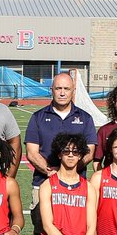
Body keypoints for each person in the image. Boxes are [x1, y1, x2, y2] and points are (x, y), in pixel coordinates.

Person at [25, 72, 98, 222]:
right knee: (41, 231)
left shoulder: (85, 118)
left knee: (76, 229)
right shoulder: (37, 117)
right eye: (58, 88)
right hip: (43, 182)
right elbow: (32, 153)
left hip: (77, 185)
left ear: (73, 91)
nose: (62, 93)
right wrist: (52, 173)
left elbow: (89, 153)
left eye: (66, 88)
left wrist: (67, 173)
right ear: (51, 89)